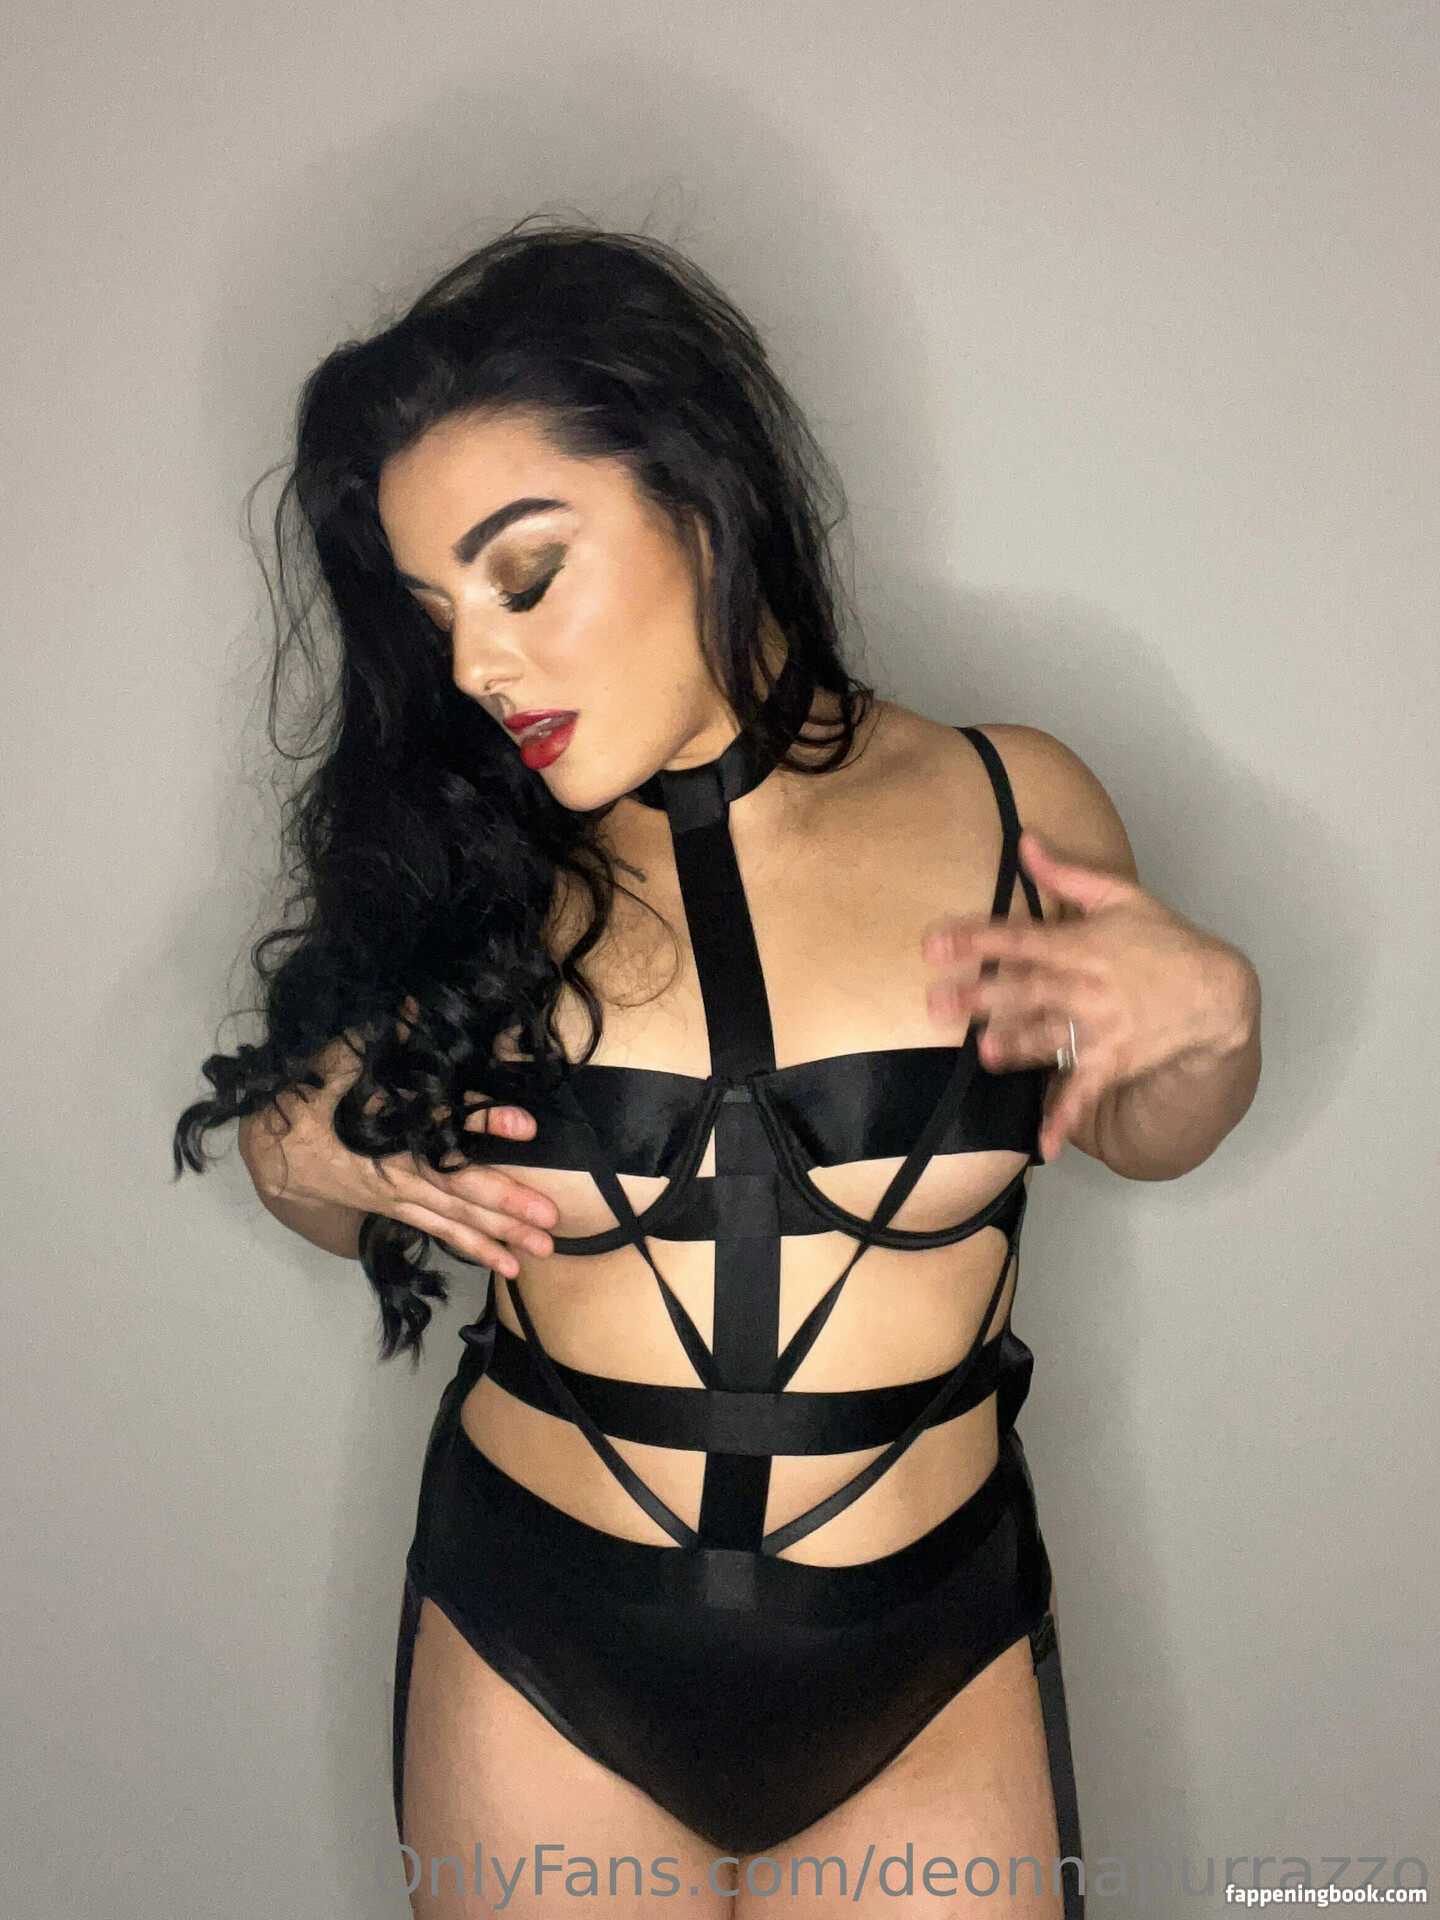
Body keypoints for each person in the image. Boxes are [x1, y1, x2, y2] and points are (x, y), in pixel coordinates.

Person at [175, 224, 1260, 1918]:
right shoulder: (467, 873)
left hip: (930, 1662)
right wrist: (294, 1159)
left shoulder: (1010, 803)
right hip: (541, 1651)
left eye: (523, 576)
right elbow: (341, 1179)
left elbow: (1144, 1128)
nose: (472, 665)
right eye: (433, 613)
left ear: (698, 499)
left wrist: (1213, 1026)